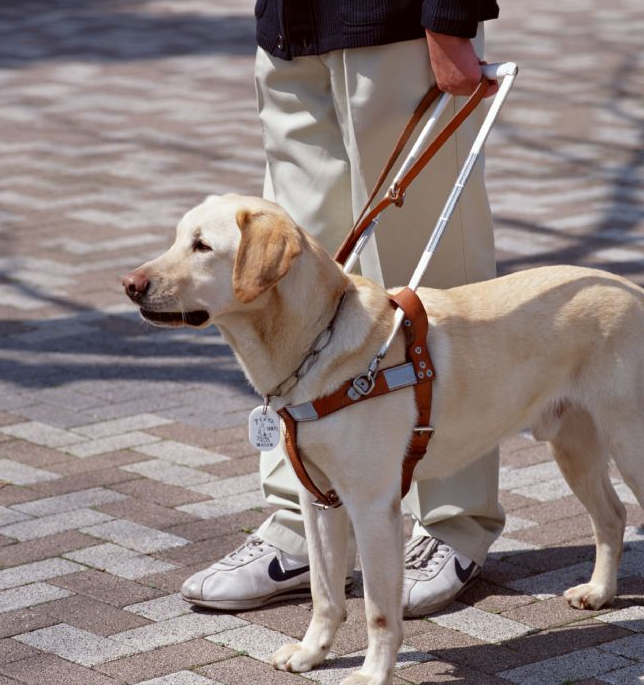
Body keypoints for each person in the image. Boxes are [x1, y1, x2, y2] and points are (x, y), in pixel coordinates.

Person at [181, 0, 505, 618]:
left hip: (400, 25)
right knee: (282, 278)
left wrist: (451, 16)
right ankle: (303, 520)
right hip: (291, 26)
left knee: (433, 284)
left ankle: (453, 520)